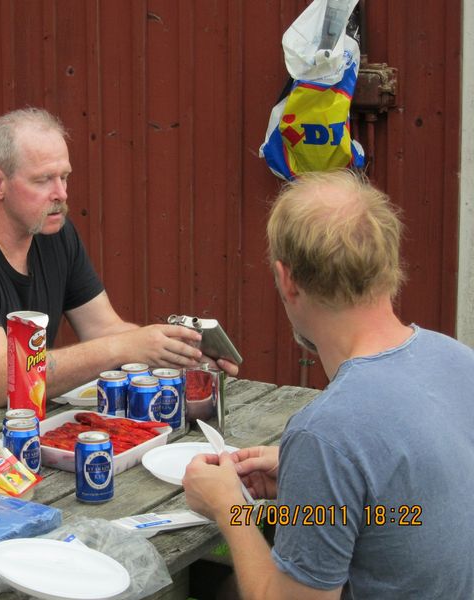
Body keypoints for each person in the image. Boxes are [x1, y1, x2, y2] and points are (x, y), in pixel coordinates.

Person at [183, 170, 474, 599]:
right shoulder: (458, 362)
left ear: (287, 279)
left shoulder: (327, 434)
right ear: (388, 261)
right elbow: (415, 510)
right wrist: (307, 479)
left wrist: (231, 511)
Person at [0, 107, 238, 421]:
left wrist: (179, 355)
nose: (61, 194)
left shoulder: (54, 232)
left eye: (64, 177)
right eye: (44, 179)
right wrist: (126, 349)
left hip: (3, 423)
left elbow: (103, 327)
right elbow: (2, 382)